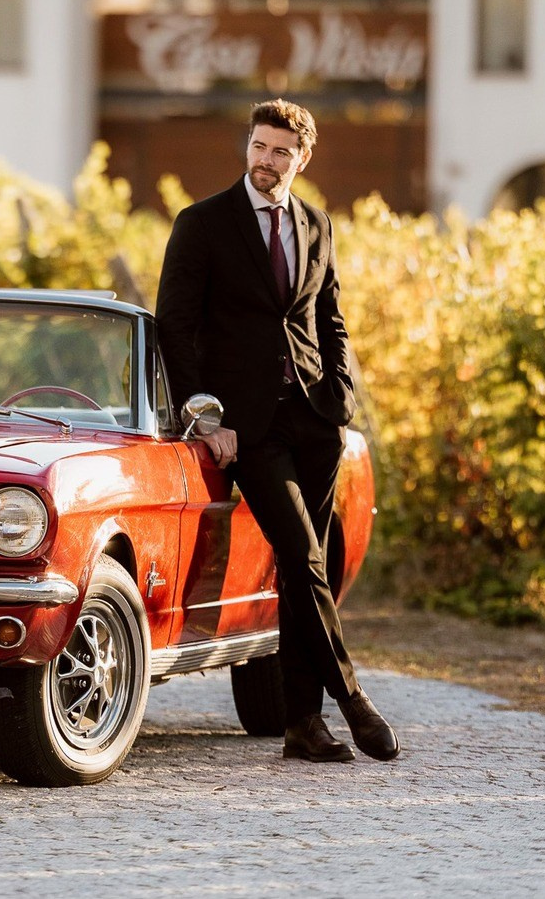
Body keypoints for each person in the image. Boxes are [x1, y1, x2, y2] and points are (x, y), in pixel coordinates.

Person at [152, 99, 399, 765]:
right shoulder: (202, 224)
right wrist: (206, 417)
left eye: (279, 151)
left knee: (301, 567)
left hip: (315, 418)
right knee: (304, 553)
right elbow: (172, 325)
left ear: (302, 157)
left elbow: (331, 316)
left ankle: (300, 725)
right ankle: (350, 697)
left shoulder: (316, 224)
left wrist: (340, 393)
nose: (265, 160)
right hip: (245, 427)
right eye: (259, 146)